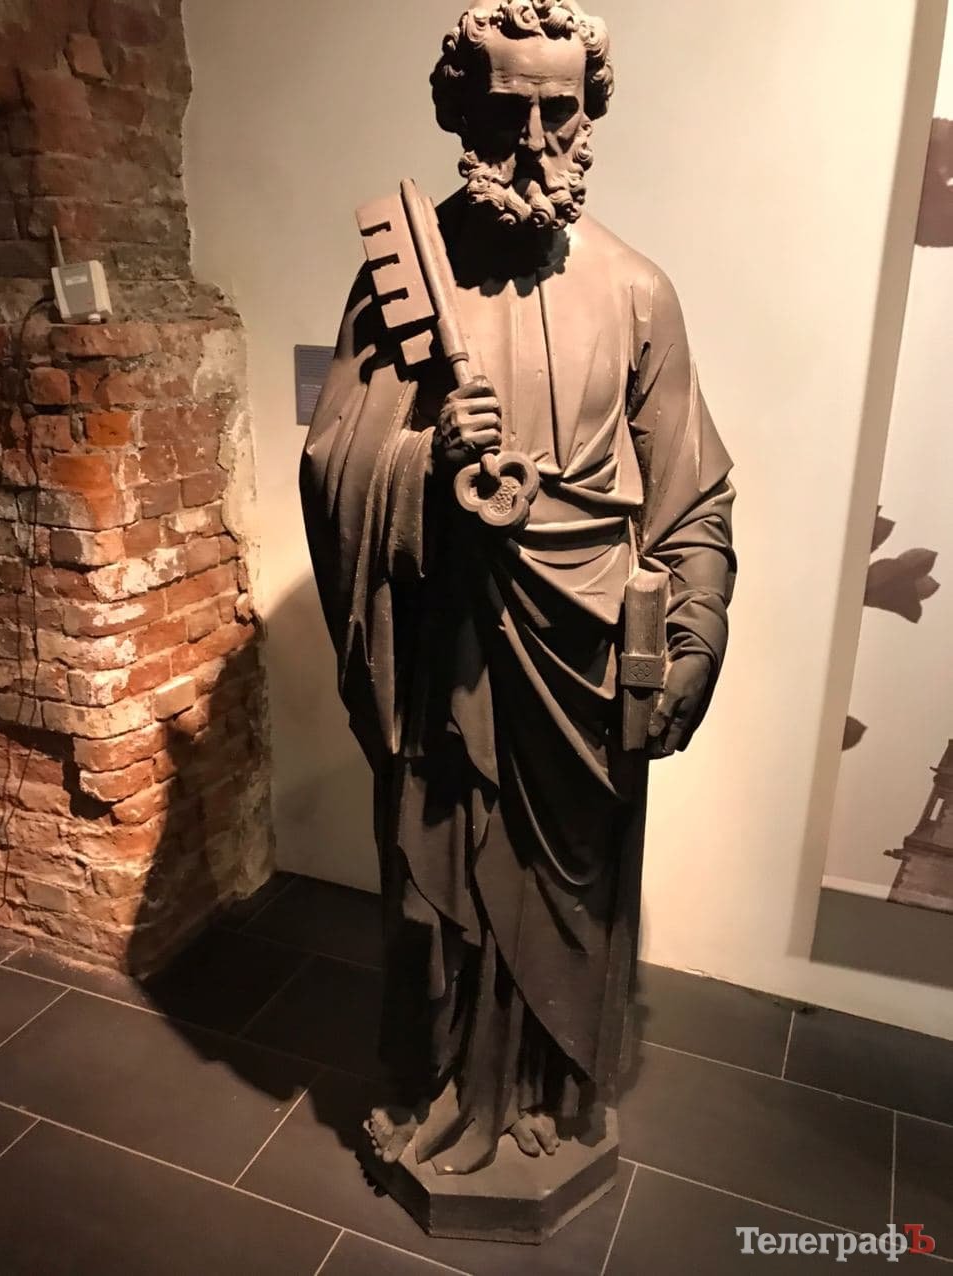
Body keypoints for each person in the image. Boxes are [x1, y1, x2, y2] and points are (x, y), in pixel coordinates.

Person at [300, 0, 736, 1178]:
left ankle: (542, 1088)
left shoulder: (638, 291)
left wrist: (694, 635)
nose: (535, 142)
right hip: (448, 650)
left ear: (591, 113)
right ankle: (443, 1080)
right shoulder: (399, 277)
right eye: (506, 111)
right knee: (435, 894)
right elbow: (333, 462)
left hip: (581, 662)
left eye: (560, 111)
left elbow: (691, 493)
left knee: (563, 895)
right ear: (459, 111)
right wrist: (423, 464)